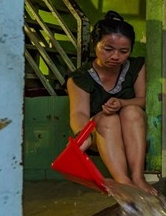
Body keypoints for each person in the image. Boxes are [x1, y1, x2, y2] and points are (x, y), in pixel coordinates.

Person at [67, 11, 158, 196]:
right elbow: (79, 113)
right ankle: (123, 182)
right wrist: (82, 136)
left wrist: (122, 103)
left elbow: (142, 100)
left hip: (132, 130)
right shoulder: (79, 78)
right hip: (99, 134)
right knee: (108, 119)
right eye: (108, 49)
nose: (116, 56)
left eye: (124, 51)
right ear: (95, 45)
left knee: (132, 111)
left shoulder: (135, 67)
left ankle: (138, 178)